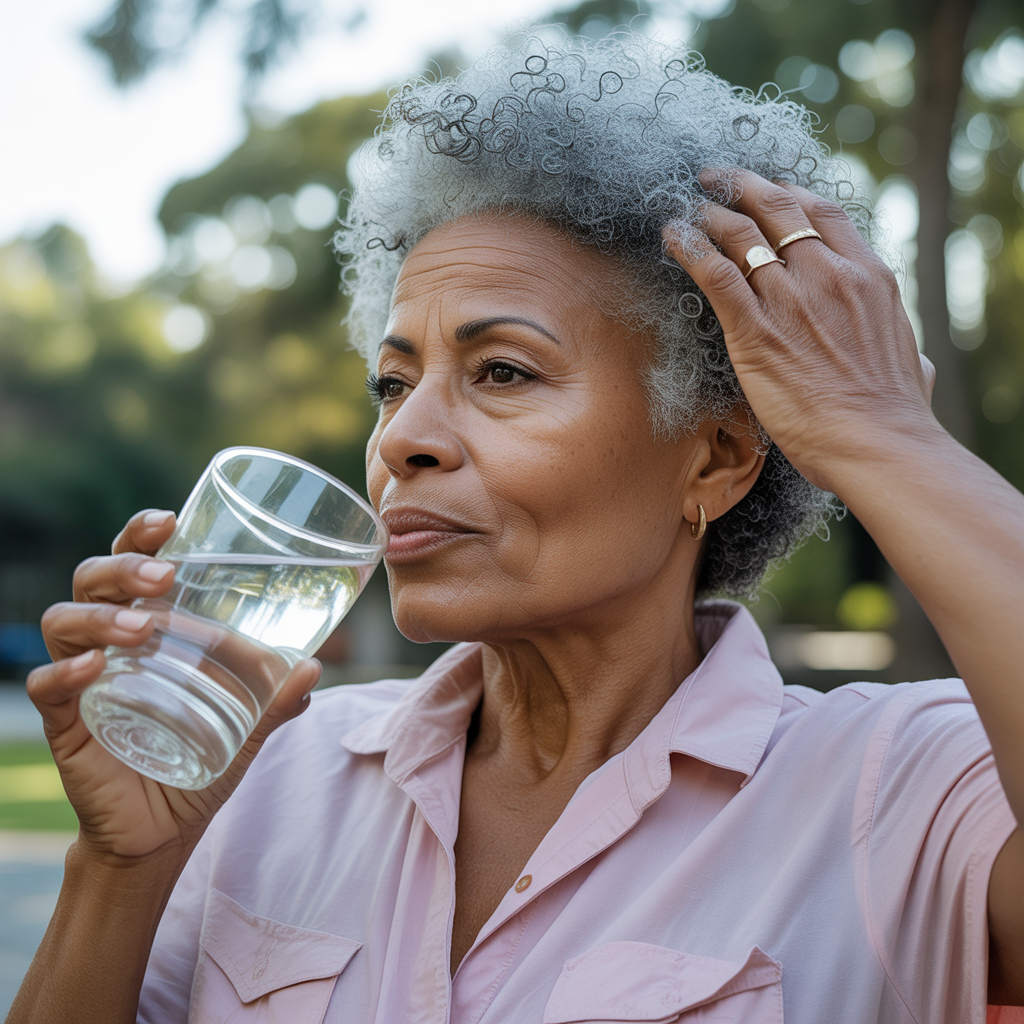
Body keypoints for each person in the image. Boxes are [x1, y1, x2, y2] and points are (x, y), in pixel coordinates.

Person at [10, 29, 1024, 1024]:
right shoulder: (267, 773)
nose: (402, 438)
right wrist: (121, 869)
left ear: (715, 457)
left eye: (502, 371)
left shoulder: (898, 788)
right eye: (392, 383)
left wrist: (884, 432)